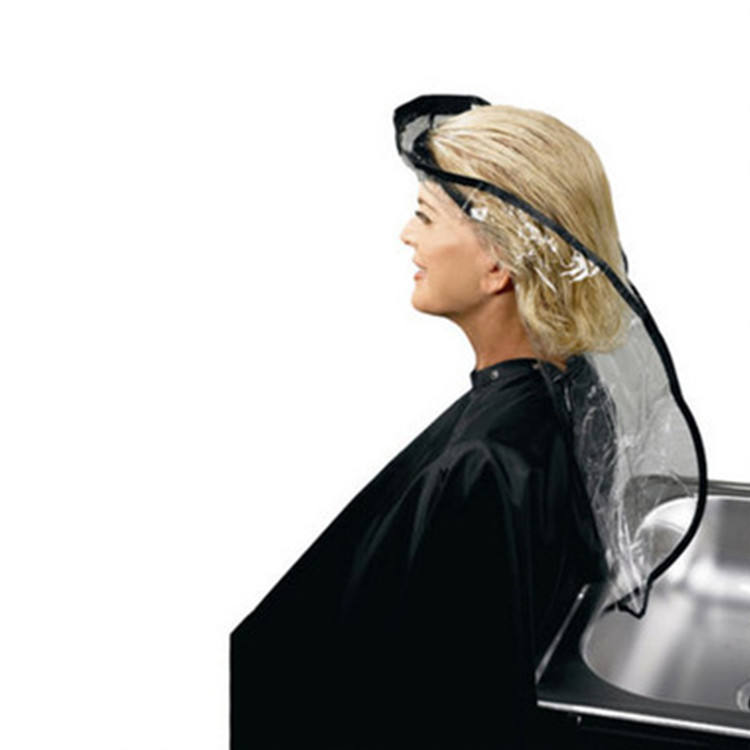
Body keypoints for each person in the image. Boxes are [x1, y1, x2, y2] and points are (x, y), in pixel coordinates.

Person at [230, 98, 633, 749]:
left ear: (499, 264)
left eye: (424, 215)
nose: (406, 235)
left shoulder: (483, 467)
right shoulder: (573, 390)